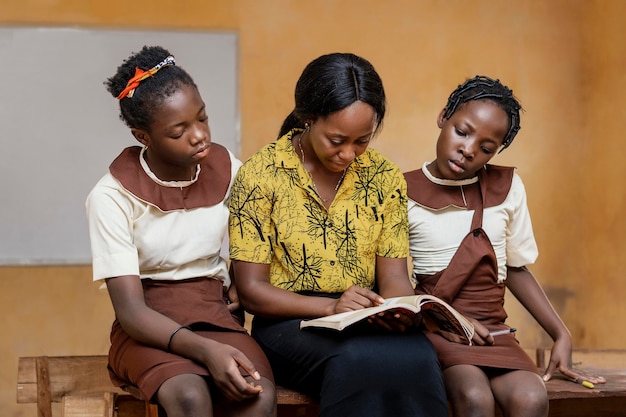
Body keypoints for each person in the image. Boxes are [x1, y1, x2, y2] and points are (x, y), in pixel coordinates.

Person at [228, 52, 448, 417]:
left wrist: (395, 310)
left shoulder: (384, 177)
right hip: (289, 323)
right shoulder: (260, 175)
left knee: (419, 356)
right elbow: (252, 292)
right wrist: (330, 307)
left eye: (362, 141)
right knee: (356, 360)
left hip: (363, 316)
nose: (348, 153)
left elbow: (393, 277)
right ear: (307, 117)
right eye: (337, 139)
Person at [86, 45, 276, 417]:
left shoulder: (228, 168)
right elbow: (130, 312)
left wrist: (239, 276)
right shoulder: (110, 196)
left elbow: (253, 233)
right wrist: (206, 350)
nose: (199, 135)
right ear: (144, 136)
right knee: (189, 396)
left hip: (214, 312)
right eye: (179, 131)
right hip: (148, 324)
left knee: (256, 393)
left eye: (202, 118)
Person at [404, 75, 605, 417]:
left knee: (531, 397)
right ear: (443, 117)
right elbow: (390, 278)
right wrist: (441, 320)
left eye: (486, 148)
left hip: (495, 332)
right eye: (462, 132)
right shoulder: (401, 190)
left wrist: (561, 334)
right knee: (474, 398)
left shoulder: (508, 187)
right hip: (441, 330)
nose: (468, 150)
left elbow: (514, 267)